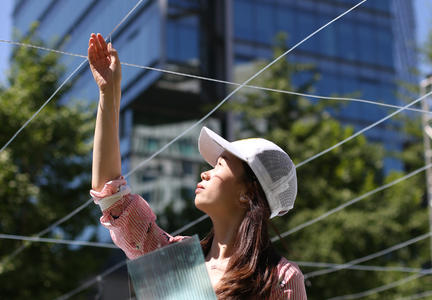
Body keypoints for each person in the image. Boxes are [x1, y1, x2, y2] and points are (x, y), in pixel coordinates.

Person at [88, 33, 307, 299]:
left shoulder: (280, 278)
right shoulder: (176, 261)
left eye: (220, 165)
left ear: (248, 193)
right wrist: (108, 93)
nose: (205, 171)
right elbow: (112, 199)